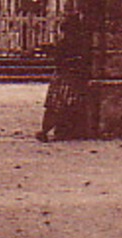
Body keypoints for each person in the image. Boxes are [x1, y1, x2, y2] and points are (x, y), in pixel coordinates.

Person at [38, 12, 92, 141]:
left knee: (55, 105)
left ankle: (48, 130)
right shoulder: (83, 43)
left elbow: (58, 59)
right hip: (75, 76)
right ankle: (66, 130)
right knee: (70, 104)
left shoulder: (64, 43)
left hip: (64, 76)